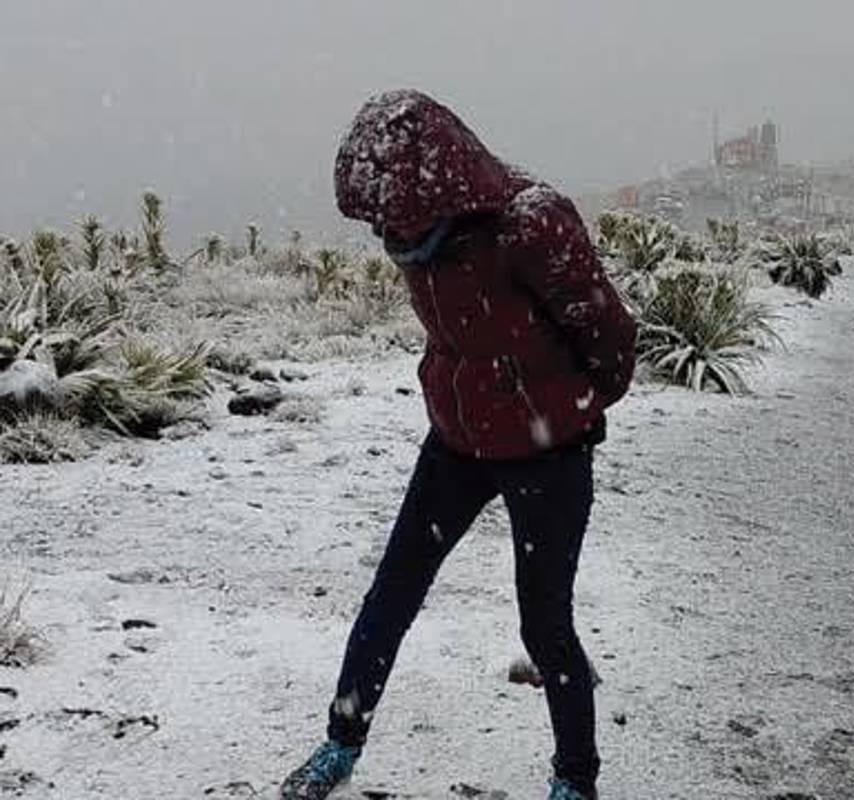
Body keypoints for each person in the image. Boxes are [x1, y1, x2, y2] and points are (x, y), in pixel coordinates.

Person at [280, 90, 636, 800]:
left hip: (548, 451)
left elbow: (608, 335)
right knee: (393, 591)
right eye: (376, 218)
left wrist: (568, 411)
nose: (387, 231)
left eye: (395, 216)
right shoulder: (416, 230)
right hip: (458, 444)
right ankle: (341, 741)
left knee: (545, 623)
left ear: (444, 190)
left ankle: (576, 779)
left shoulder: (532, 224)